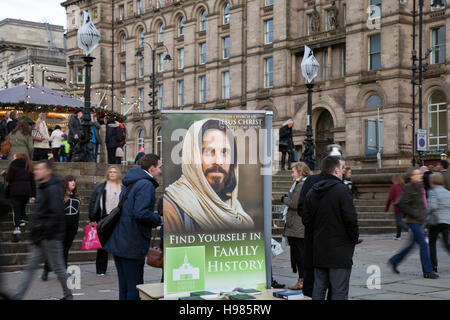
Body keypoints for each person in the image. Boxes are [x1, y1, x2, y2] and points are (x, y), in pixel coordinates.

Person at [163, 119, 254, 233]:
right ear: (192, 155)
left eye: (225, 152)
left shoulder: (233, 205)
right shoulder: (173, 206)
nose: (218, 161)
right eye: (207, 151)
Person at [104, 154, 162, 300]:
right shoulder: (146, 184)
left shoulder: (132, 182)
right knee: (134, 288)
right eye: (159, 167)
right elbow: (141, 213)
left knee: (124, 287)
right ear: (152, 168)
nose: (160, 171)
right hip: (132, 243)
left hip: (120, 241)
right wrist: (159, 219)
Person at [12, 160, 73, 300]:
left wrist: (42, 230)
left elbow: (56, 214)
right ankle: (17, 296)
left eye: (39, 169)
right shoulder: (45, 187)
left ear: (48, 172)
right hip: (41, 236)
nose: (36, 171)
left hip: (49, 237)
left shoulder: (52, 189)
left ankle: (69, 295)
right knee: (31, 268)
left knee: (59, 269)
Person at [303, 156, 359, 300]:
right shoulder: (342, 190)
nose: (343, 171)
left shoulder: (312, 191)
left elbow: (306, 219)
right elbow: (351, 220)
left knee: (319, 288)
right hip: (340, 250)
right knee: (339, 290)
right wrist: (353, 239)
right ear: (336, 170)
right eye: (342, 169)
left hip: (319, 248)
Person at [388, 168, 439, 279]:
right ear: (411, 176)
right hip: (413, 222)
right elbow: (401, 204)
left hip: (420, 221)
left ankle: (394, 261)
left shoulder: (419, 186)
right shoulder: (408, 187)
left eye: (420, 173)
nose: (420, 175)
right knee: (423, 245)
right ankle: (428, 271)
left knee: (411, 246)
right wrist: (416, 213)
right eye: (417, 174)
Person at [41, 175, 81, 281]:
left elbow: (77, 214)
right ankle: (46, 269)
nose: (73, 183)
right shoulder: (60, 196)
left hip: (71, 228)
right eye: (71, 181)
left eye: (74, 181)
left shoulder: (76, 196)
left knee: (65, 250)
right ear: (65, 183)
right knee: (55, 250)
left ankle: (63, 272)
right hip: (60, 228)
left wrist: (76, 227)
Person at [281, 162, 311, 290]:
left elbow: (294, 204)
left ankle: (302, 281)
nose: (292, 174)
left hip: (297, 227)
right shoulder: (302, 183)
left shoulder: (301, 185)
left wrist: (283, 199)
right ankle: (302, 280)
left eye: (293, 172)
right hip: (298, 226)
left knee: (299, 256)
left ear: (300, 172)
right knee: (300, 255)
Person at [88, 166, 122, 275]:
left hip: (118, 219)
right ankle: (101, 269)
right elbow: (93, 202)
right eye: (110, 172)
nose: (112, 174)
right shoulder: (101, 187)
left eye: (114, 172)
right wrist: (93, 218)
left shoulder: (122, 187)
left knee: (118, 244)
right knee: (102, 245)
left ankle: (120, 268)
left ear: (118, 174)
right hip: (103, 218)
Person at [6, 153, 36, 242]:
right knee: (22, 207)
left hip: (15, 191)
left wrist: (4, 175)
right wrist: (34, 195)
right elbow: (33, 183)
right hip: (27, 191)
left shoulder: (13, 165)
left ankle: (17, 228)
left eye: (14, 157)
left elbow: (9, 178)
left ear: (17, 158)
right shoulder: (29, 166)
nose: (13, 158)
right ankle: (22, 222)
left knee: (16, 209)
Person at [427, 173, 450, 273]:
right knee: (446, 243)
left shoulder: (433, 192)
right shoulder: (447, 192)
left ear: (432, 181)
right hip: (447, 221)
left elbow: (432, 207)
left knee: (432, 242)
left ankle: (433, 265)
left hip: (436, 221)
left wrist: (426, 213)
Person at [385, 174, 408, 240]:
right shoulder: (404, 186)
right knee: (399, 221)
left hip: (398, 206)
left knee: (399, 222)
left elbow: (390, 198)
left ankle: (409, 230)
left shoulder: (394, 187)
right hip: (406, 206)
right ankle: (398, 236)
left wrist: (387, 208)